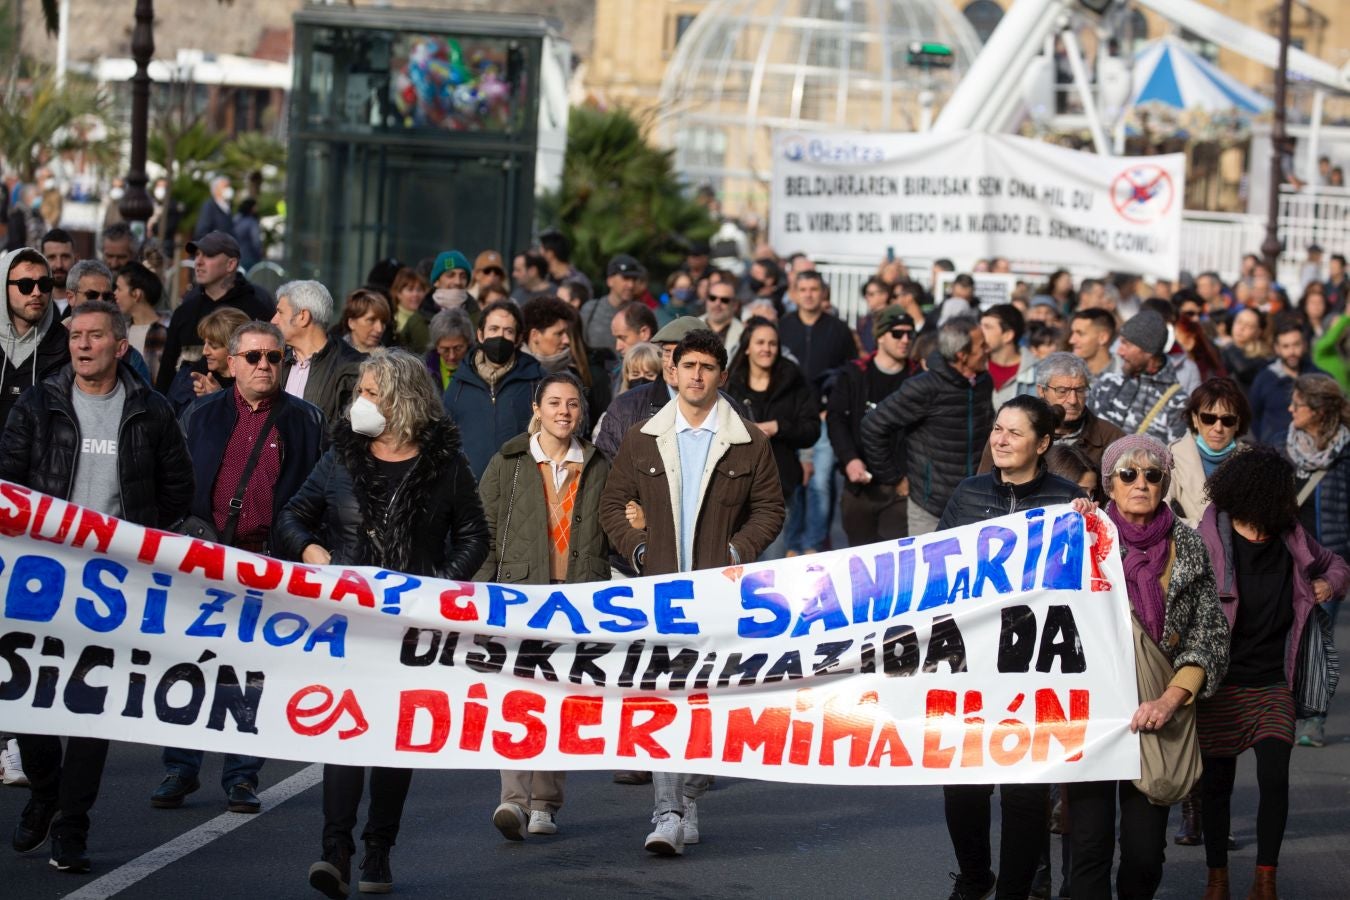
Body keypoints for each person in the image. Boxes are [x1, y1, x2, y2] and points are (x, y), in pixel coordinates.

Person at [275, 349, 488, 897]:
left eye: (370, 392)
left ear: (399, 400)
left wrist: (440, 584)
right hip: (348, 618)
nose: (358, 403)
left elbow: (474, 535)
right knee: (345, 733)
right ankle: (335, 850)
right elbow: (294, 516)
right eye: (359, 392)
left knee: (395, 740)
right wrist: (315, 551)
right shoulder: (340, 459)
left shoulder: (443, 464)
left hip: (414, 627)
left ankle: (377, 849)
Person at [1, 300, 192, 874]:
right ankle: (45, 789)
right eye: (75, 335)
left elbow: (177, 493)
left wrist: (146, 548)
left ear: (120, 346)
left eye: (94, 336)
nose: (82, 345)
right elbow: (9, 485)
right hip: (41, 579)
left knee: (90, 707)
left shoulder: (151, 411)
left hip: (115, 587)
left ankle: (71, 825)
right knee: (29, 701)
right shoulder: (38, 405)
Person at [599, 329, 785, 856]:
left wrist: (736, 554)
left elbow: (770, 509)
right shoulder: (642, 437)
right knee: (664, 698)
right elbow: (614, 505)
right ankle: (667, 812)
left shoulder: (751, 440)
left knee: (705, 702)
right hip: (660, 592)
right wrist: (638, 551)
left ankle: (691, 796)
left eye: (708, 367)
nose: (697, 375)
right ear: (671, 372)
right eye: (689, 366)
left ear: (722, 376)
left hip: (720, 595)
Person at [159, 322, 325, 816]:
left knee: (251, 673)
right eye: (252, 356)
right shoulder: (197, 415)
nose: (263, 366)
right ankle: (179, 768)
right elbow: (171, 484)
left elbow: (318, 497)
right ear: (230, 363)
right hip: (205, 560)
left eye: (274, 357)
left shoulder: (307, 421)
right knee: (190, 663)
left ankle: (241, 777)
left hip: (269, 563)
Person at [1066, 435, 1229, 900]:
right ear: (1109, 486)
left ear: (1165, 483)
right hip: (1093, 713)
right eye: (1128, 474)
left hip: (1156, 712)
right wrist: (1068, 520)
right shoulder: (1083, 538)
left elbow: (1209, 634)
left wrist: (1172, 697)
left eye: (1153, 475)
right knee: (1089, 847)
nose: (1141, 483)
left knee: (1143, 853)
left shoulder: (1189, 545)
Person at [936, 395, 1085, 900]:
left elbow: (1093, 582)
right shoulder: (968, 494)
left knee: (1025, 791)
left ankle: (1016, 890)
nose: (1000, 440)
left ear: (1043, 444)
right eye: (997, 429)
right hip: (971, 665)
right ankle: (975, 877)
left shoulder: (1069, 500)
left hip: (1035, 668)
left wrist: (1092, 523)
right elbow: (931, 570)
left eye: (1014, 433)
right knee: (963, 785)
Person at [1194, 447, 1350, 900]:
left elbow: (1337, 565)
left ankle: (1266, 879)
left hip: (1272, 681)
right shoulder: (1209, 538)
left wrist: (1327, 584)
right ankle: (1216, 878)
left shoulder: (1292, 538)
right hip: (1221, 681)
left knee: (1274, 779)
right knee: (1217, 785)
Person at [478, 373, 610, 842]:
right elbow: (484, 532)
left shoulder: (597, 465)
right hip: (519, 597)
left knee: (560, 701)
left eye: (573, 404)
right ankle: (512, 800)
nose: (563, 412)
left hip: (577, 598)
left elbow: (612, 530)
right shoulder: (508, 462)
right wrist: (478, 595)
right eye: (554, 402)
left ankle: (545, 803)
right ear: (536, 408)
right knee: (517, 698)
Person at [860, 315, 993, 537]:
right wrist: (893, 477)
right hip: (930, 509)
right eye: (981, 346)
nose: (988, 349)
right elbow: (872, 425)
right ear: (962, 355)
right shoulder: (924, 387)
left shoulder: (983, 382)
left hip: (974, 506)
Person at [1285, 373, 1350, 748]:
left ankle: (1313, 719)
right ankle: (1283, 711)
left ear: (1320, 411)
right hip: (1288, 558)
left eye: (1298, 404)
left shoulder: (1345, 454)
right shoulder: (1283, 447)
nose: (1290, 409)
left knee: (1317, 638)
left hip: (1331, 562)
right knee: (1285, 636)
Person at [724, 316, 819, 558]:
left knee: (771, 564)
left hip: (779, 484)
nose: (766, 349)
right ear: (747, 347)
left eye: (772, 343)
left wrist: (779, 427)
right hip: (735, 487)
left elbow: (811, 429)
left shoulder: (793, 379)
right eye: (760, 342)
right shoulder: (730, 383)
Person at [779, 270, 856, 553]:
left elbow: (849, 374)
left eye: (814, 289)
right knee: (795, 481)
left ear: (823, 293)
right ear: (795, 293)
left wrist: (833, 408)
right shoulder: (783, 327)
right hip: (792, 419)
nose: (809, 294)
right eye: (804, 289)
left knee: (820, 483)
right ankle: (792, 544)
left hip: (824, 418)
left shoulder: (838, 329)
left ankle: (813, 544)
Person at [828, 305, 914, 546]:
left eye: (910, 334)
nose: (905, 340)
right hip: (860, 485)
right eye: (897, 333)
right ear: (880, 336)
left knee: (892, 559)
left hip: (900, 488)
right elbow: (836, 419)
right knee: (858, 560)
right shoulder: (855, 373)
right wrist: (849, 459)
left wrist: (908, 475)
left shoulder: (917, 376)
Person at [155, 231, 274, 393]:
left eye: (208, 255)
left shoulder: (257, 311)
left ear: (231, 264)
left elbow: (268, 373)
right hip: (183, 411)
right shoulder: (185, 311)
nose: (198, 262)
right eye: (197, 255)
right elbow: (166, 374)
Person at [442, 299, 544, 478]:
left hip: (521, 489)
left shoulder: (537, 380)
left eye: (508, 331)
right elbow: (445, 439)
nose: (500, 337)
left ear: (519, 338)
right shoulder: (459, 383)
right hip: (472, 493)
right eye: (494, 329)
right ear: (480, 335)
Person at [594, 316, 705, 461]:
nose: (671, 363)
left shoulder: (726, 407)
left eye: (679, 353)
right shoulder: (624, 408)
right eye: (666, 352)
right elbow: (606, 471)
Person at [1088, 309, 1190, 444]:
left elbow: (1175, 457)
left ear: (1149, 351)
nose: (1119, 351)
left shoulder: (1177, 403)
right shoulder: (1106, 384)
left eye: (1126, 344)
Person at [274, 280, 365, 428]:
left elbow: (348, 435)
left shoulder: (352, 367)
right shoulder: (275, 358)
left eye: (280, 312)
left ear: (303, 317)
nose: (273, 320)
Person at [1166, 378, 1251, 527]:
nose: (1218, 428)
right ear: (1195, 419)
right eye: (1208, 418)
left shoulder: (1254, 462)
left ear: (1238, 423)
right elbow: (1163, 513)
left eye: (1227, 420)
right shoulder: (1171, 456)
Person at [0, 247, 70, 425]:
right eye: (25, 285)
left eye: (45, 284)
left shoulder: (66, 345)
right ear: (3, 286)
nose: (37, 292)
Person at [1250, 318, 1320, 447]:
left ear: (1304, 345)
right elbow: (1253, 416)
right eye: (1286, 346)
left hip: (1314, 451)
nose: (1292, 352)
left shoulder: (1319, 378)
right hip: (1275, 453)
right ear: (1277, 348)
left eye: (1296, 344)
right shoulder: (1264, 379)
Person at [165, 306, 247, 414]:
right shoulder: (186, 377)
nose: (205, 352)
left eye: (213, 346)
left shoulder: (253, 383)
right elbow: (169, 425)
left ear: (235, 348)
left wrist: (220, 398)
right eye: (205, 343)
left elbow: (250, 427)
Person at [114, 260, 168, 384]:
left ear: (137, 294)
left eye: (119, 289)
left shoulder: (167, 332)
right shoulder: (120, 332)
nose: (114, 294)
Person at [580, 254, 644, 351]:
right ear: (610, 281)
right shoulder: (590, 309)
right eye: (625, 278)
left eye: (634, 279)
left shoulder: (641, 313)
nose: (631, 285)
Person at [982, 304, 1037, 406]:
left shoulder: (1036, 372)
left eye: (987, 327)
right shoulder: (975, 369)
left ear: (1008, 335)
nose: (980, 332)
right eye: (980, 326)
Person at [1220, 308, 1271, 395]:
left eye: (1249, 326)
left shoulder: (1261, 358)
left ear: (1258, 332)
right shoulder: (1221, 349)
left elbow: (1243, 370)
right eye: (1239, 322)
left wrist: (1230, 347)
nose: (1241, 328)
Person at [424, 308, 473, 392]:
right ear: (436, 346)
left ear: (468, 343)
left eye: (458, 348)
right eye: (445, 349)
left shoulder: (480, 367)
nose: (452, 356)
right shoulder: (425, 369)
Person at [336, 288, 391, 354]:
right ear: (351, 323)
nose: (379, 329)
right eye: (371, 320)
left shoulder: (388, 360)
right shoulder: (335, 356)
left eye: (383, 322)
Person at [389, 266, 431, 354]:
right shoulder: (390, 321)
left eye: (419, 290)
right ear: (398, 293)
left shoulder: (429, 318)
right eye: (410, 289)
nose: (415, 294)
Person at [1068, 308, 1117, 382]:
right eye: (1073, 333)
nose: (1071, 340)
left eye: (1080, 334)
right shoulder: (1065, 373)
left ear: (1103, 338)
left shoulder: (1126, 376)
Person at [698, 274, 743, 352]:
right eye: (713, 298)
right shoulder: (690, 327)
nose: (717, 303)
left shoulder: (743, 333)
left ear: (735, 305)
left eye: (724, 300)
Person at [39, 228, 77, 319]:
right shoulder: (34, 303)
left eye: (65, 257)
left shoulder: (87, 302)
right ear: (41, 260)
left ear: (75, 259)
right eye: (52, 257)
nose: (59, 265)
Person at [233, 196, 263, 270]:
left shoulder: (235, 220)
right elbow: (256, 242)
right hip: (249, 258)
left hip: (235, 257)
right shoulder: (252, 222)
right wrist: (259, 255)